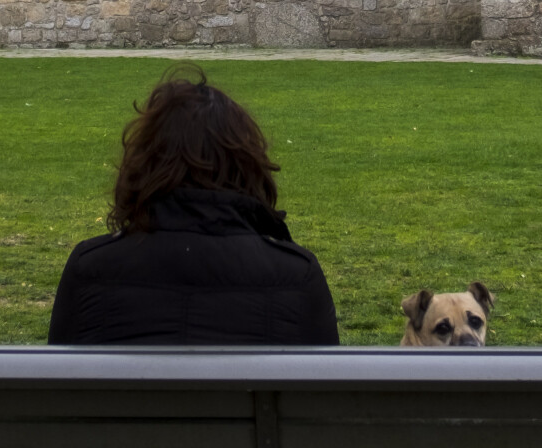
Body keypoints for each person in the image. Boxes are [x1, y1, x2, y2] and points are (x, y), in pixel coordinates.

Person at [47, 70, 338, 345]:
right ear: (246, 168)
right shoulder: (297, 276)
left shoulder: (90, 269)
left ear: (145, 166)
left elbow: (59, 391)